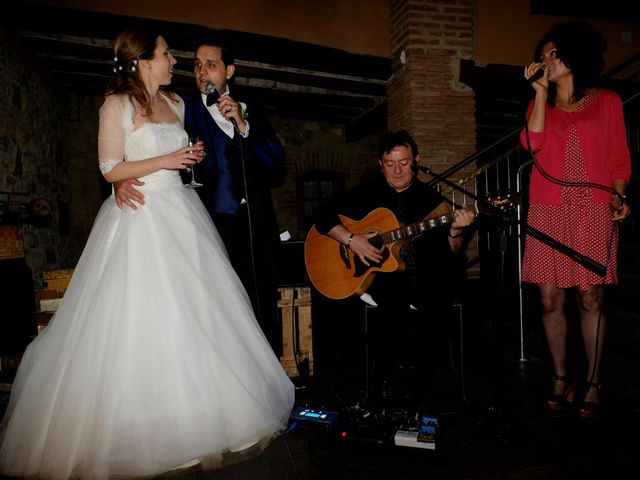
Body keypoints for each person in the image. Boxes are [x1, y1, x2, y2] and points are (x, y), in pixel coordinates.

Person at [0, 27, 294, 479]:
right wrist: (129, 176)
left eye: (204, 62)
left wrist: (225, 134)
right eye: (170, 56)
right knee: (140, 316)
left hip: (187, 215)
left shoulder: (180, 103)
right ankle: (141, 425)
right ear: (143, 60)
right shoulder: (120, 103)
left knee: (200, 314)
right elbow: (110, 164)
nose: (181, 64)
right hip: (142, 218)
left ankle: (201, 412)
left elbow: (260, 158)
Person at [115, 37, 286, 357]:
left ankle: (269, 375)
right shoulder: (182, 107)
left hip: (256, 223)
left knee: (262, 303)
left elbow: (276, 162)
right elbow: (141, 141)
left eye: (211, 64)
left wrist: (243, 124)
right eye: (196, 64)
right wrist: (119, 181)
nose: (201, 71)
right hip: (210, 223)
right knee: (220, 306)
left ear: (229, 70)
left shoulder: (253, 109)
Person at [313, 130, 475, 409]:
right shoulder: (365, 193)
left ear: (416, 161)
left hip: (424, 275)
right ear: (380, 164)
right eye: (390, 163)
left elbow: (452, 252)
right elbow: (321, 215)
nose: (397, 170)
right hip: (380, 277)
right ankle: (381, 381)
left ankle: (421, 387)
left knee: (439, 305)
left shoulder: (432, 202)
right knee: (393, 304)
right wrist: (352, 240)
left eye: (404, 162)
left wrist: (456, 231)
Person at [520, 20, 631, 419]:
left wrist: (619, 196)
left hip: (593, 208)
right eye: (543, 55)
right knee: (550, 299)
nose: (545, 60)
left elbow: (619, 156)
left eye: (552, 53)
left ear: (572, 56)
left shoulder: (607, 101)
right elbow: (532, 145)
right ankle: (560, 377)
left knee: (590, 296)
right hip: (548, 208)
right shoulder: (541, 106)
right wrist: (539, 94)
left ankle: (594, 381)